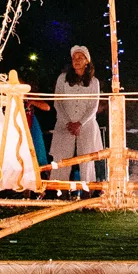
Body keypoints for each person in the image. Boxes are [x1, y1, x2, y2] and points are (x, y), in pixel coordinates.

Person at [50, 46, 103, 184]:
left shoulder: (94, 82)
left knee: (86, 159)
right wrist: (68, 122)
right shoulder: (62, 79)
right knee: (61, 158)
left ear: (87, 61)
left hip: (86, 125)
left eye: (80, 58)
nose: (77, 60)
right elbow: (58, 102)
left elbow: (93, 106)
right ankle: (59, 191)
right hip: (64, 124)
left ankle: (87, 191)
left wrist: (79, 123)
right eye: (74, 58)